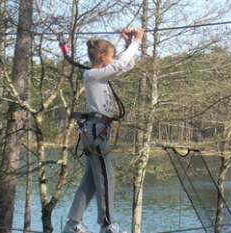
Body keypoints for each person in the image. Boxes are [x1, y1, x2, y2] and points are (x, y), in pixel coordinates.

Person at [63, 28, 145, 233]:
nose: (113, 59)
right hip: (95, 132)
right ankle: (107, 224)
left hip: (95, 131)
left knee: (91, 181)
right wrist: (137, 41)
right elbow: (120, 64)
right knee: (107, 179)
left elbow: (127, 64)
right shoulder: (92, 75)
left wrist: (129, 44)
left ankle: (73, 223)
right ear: (101, 56)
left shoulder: (99, 76)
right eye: (110, 55)